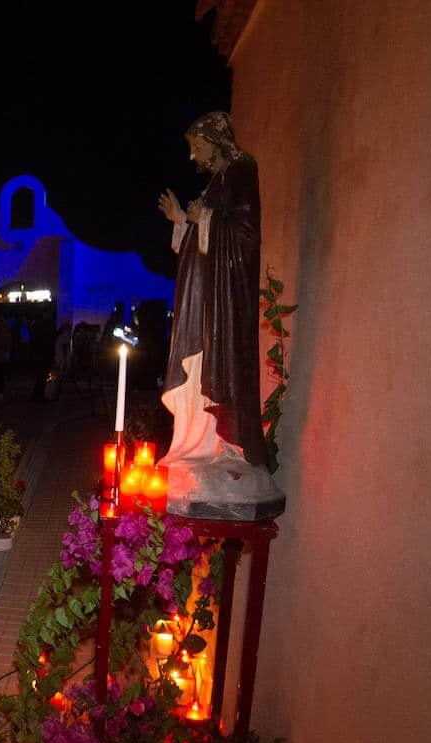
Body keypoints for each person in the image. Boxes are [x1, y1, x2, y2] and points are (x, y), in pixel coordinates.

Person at [156, 110, 282, 514]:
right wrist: (182, 222)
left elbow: (244, 235)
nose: (194, 159)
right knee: (197, 373)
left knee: (218, 367)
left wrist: (204, 218)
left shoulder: (242, 170)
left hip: (224, 306)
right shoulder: (217, 182)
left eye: (196, 148)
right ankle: (195, 444)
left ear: (214, 140)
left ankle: (224, 445)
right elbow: (201, 248)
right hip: (203, 304)